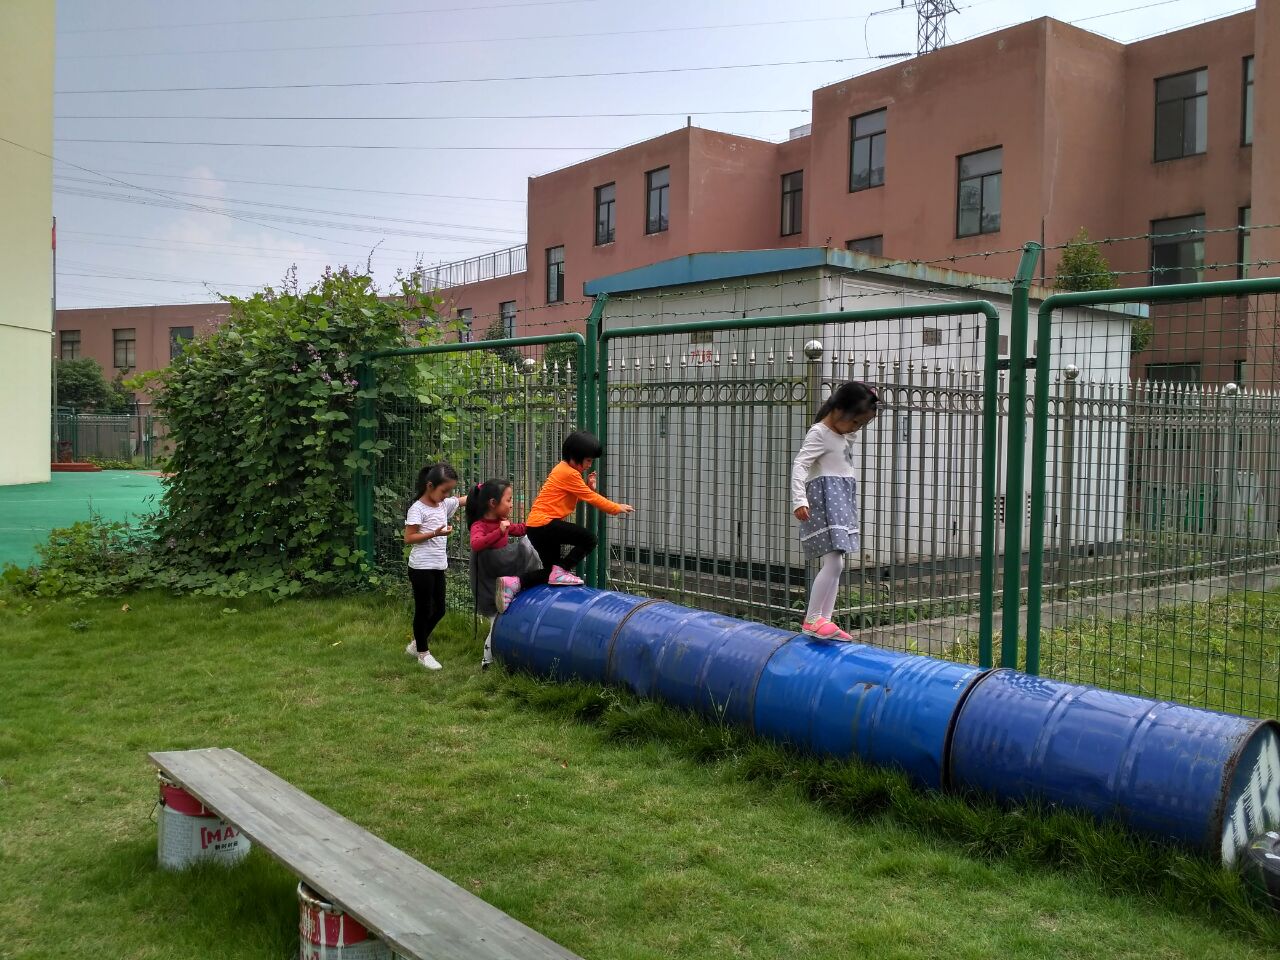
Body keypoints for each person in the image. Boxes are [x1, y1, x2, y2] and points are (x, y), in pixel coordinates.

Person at [791, 381, 880, 641]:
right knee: (833, 561)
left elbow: (846, 434)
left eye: (861, 425)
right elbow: (800, 465)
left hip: (840, 500)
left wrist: (865, 403)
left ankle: (824, 620)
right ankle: (812, 619)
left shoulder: (842, 434)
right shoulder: (819, 433)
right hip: (826, 502)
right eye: (855, 422)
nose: (855, 429)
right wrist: (799, 500)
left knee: (837, 562)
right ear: (839, 409)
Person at [524, 431, 634, 587]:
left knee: (551, 572)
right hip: (545, 525)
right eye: (588, 460)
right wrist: (616, 507)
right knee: (589, 539)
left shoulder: (563, 469)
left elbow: (581, 494)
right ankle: (562, 570)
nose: (590, 465)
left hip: (536, 527)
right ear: (575, 456)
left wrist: (588, 487)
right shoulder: (569, 474)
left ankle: (514, 582)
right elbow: (591, 498)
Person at [465, 478, 543, 669]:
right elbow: (476, 544)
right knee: (496, 621)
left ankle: (497, 660)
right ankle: (487, 662)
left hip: (500, 576)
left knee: (501, 620)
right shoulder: (479, 526)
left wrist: (539, 523)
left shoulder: (502, 522)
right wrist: (499, 533)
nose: (512, 504)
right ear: (493, 503)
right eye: (508, 500)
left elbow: (520, 529)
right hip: (488, 582)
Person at [403, 462, 460, 670]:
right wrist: (435, 533)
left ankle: (416, 644)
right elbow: (409, 538)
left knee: (440, 609)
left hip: (438, 566)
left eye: (450, 491)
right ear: (430, 486)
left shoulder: (443, 504)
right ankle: (423, 653)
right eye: (444, 490)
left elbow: (462, 500)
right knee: (424, 609)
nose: (447, 495)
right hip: (421, 568)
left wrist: (485, 490)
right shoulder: (417, 509)